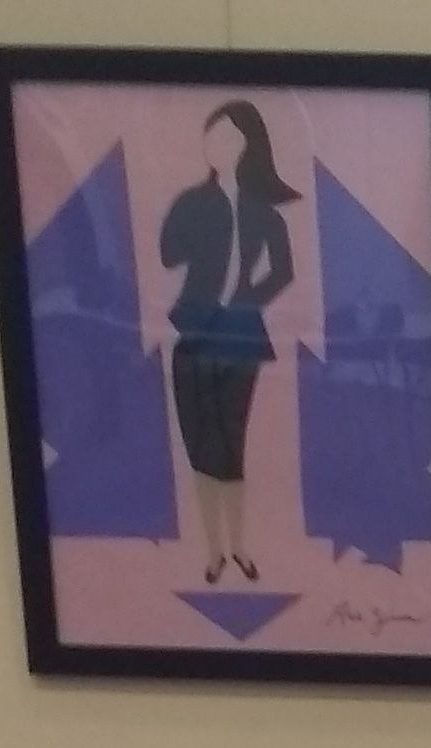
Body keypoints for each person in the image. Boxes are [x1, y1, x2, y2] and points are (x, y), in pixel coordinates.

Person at [159, 100, 299, 585]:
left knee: (231, 446)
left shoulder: (264, 214)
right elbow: (167, 254)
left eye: (225, 136)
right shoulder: (193, 203)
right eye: (210, 135)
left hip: (239, 339)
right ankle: (214, 552)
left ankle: (240, 548)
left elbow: (283, 271)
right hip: (193, 333)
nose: (214, 145)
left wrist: (244, 300)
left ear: (246, 144)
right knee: (198, 445)